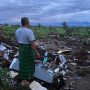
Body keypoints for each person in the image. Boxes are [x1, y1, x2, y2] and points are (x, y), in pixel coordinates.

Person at [15, 17, 40, 85]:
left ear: (21, 22)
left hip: (21, 48)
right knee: (30, 64)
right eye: (29, 21)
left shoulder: (17, 30)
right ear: (27, 22)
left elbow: (17, 41)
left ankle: (22, 77)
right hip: (28, 49)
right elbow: (32, 43)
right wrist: (37, 52)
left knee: (22, 63)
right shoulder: (29, 31)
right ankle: (29, 78)